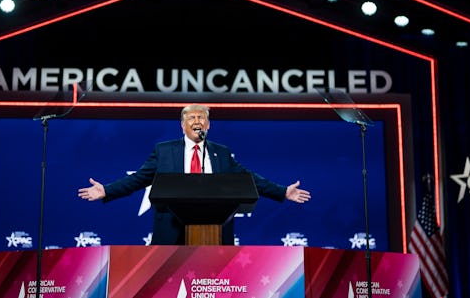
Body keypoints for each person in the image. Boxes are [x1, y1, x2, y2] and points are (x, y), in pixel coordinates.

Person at [77, 103, 311, 245]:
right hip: (171, 228)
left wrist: (282, 191)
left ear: (208, 125)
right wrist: (106, 190)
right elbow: (138, 179)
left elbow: (249, 179)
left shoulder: (221, 152)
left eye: (202, 118)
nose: (197, 121)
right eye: (191, 118)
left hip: (215, 230)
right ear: (182, 125)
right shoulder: (165, 150)